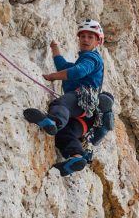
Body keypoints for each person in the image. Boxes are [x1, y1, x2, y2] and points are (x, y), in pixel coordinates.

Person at [23, 19, 112, 176]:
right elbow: (63, 66)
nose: (85, 39)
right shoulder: (85, 59)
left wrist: (52, 76)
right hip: (86, 120)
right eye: (82, 36)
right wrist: (54, 47)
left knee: (61, 104)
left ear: (98, 41)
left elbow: (78, 72)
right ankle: (76, 157)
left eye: (90, 37)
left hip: (82, 99)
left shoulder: (92, 58)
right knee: (65, 134)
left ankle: (54, 121)